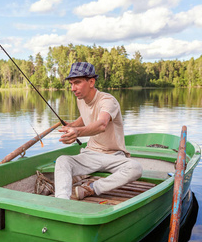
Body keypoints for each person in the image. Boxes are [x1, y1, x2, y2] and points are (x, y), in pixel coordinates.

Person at [54, 62, 143, 200]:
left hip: (113, 155)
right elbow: (86, 116)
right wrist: (72, 125)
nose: (73, 88)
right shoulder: (81, 99)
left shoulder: (108, 100)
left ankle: (91, 188)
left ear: (91, 82)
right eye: (71, 84)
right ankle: (61, 201)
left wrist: (77, 132)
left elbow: (101, 124)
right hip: (90, 154)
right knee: (62, 161)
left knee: (135, 168)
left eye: (77, 82)